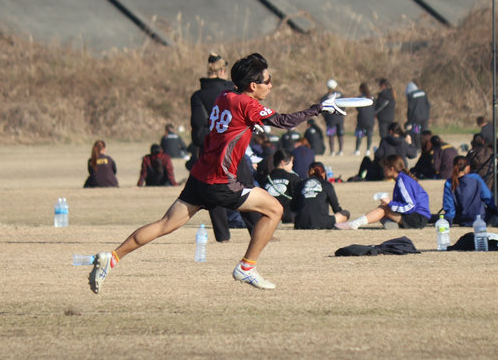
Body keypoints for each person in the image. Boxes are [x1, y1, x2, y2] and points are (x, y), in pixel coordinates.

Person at [88, 52, 338, 292]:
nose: (271, 85)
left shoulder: (224, 95)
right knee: (275, 210)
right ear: (253, 85)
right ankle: (246, 267)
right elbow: (284, 122)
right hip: (220, 182)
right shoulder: (247, 104)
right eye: (268, 80)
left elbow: (231, 124)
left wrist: (250, 126)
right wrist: (318, 108)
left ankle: (112, 258)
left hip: (199, 177)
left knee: (164, 224)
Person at [337, 155, 430, 230]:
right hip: (417, 217)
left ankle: (354, 224)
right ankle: (393, 225)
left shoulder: (403, 181)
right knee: (382, 210)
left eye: (384, 167)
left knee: (384, 209)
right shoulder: (401, 179)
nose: (383, 170)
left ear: (391, 169)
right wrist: (390, 204)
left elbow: (410, 206)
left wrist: (390, 203)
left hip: (418, 219)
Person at [188, 52, 233, 168]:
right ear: (222, 71)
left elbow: (198, 136)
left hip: (207, 156)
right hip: (232, 154)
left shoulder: (197, 96)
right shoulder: (232, 93)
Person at [352, 122, 418, 181]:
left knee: (366, 159)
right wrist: (410, 143)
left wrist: (376, 151)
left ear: (390, 131)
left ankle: (360, 176)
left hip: (386, 172)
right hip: (401, 171)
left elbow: (378, 155)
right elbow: (413, 155)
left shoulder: (385, 141)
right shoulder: (403, 141)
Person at [441, 155, 497, 227]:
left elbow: (449, 205)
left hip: (461, 219)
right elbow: (487, 197)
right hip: (480, 217)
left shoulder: (449, 182)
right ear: (468, 167)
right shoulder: (476, 178)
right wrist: (494, 210)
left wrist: (449, 220)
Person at [293, 162, 349, 230]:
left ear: (308, 173)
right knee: (346, 213)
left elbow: (293, 207)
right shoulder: (327, 185)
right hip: (322, 222)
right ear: (323, 173)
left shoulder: (300, 184)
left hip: (300, 223)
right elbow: (336, 208)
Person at [263, 150, 301, 224]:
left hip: (267, 215)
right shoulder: (293, 178)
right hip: (287, 215)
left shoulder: (266, 179)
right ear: (283, 162)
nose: (292, 165)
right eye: (291, 162)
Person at [321, 78, 345, 156]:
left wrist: (326, 118)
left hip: (330, 119)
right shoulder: (340, 95)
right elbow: (345, 105)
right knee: (340, 134)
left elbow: (322, 110)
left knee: (331, 135)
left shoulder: (325, 97)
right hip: (340, 118)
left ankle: (332, 151)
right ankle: (341, 151)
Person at [354, 82, 376, 156]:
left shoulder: (359, 98)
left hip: (362, 119)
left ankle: (357, 150)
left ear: (361, 89)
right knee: (369, 134)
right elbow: (375, 106)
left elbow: (358, 108)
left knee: (360, 134)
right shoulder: (372, 97)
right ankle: (368, 150)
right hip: (371, 119)